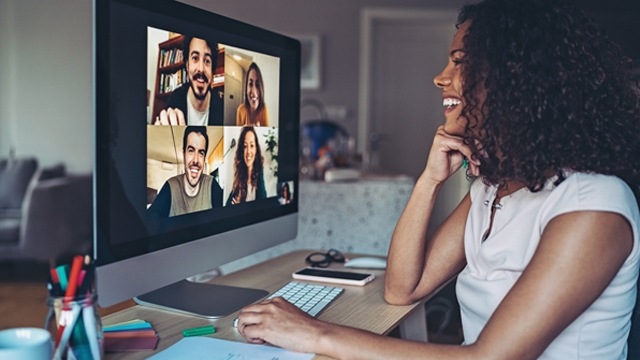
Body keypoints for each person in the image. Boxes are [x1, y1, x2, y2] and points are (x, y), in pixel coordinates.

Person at [235, 0, 640, 358]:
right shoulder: (493, 189)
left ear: (517, 78)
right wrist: (430, 180)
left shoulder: (594, 206)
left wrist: (315, 332)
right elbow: (402, 289)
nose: (440, 77)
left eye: (460, 62)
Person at [148, 126, 222, 217]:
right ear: (184, 155)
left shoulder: (212, 185)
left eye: (201, 153)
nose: (195, 160)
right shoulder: (170, 186)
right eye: (191, 151)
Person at [155, 36, 223, 126]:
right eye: (195, 58)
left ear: (212, 70)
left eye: (207, 61)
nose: (201, 69)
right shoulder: (175, 99)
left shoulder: (221, 107)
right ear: (187, 65)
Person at [226, 126, 267, 205]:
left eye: (252, 146)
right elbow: (226, 207)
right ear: (241, 151)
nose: (248, 151)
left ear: (256, 149)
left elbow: (263, 206)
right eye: (245, 146)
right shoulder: (239, 179)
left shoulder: (259, 174)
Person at [235, 62, 269, 126]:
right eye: (250, 84)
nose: (253, 91)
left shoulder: (264, 109)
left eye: (257, 85)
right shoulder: (240, 110)